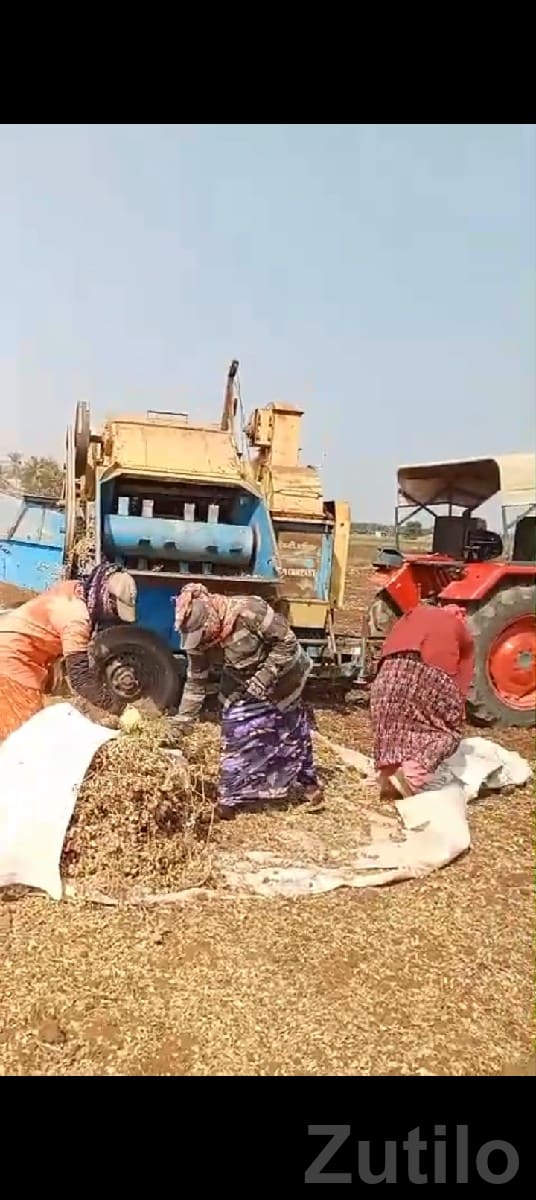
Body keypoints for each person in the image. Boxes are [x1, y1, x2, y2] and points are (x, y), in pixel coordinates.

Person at [173, 583, 321, 817]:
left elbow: (287, 642)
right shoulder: (199, 639)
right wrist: (182, 723)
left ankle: (308, 786)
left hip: (284, 673)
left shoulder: (249, 611)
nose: (200, 642)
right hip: (241, 676)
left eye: (202, 635)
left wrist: (265, 676)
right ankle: (231, 796)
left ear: (210, 621)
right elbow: (196, 682)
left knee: (289, 726)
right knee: (235, 725)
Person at [0, 562, 137, 742]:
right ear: (103, 595)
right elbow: (81, 681)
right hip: (11, 658)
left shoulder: (76, 588)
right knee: (24, 734)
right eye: (113, 608)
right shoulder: (77, 621)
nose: (112, 614)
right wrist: (120, 709)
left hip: (15, 647)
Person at [369, 603, 475, 798]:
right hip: (427, 680)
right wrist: (457, 714)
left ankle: (387, 775)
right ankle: (411, 778)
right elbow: (462, 676)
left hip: (385, 681)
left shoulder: (413, 616)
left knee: (391, 727)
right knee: (445, 733)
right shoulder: (458, 630)